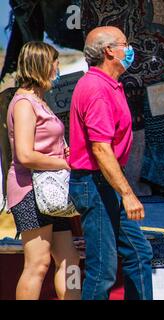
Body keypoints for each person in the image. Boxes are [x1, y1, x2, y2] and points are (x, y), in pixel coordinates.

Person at [68, 26, 153, 300]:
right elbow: (101, 149)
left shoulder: (109, 85)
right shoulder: (96, 88)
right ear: (109, 51)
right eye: (125, 44)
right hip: (94, 183)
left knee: (139, 253)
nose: (129, 49)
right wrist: (127, 194)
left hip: (105, 182)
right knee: (102, 269)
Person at [6, 41, 80, 300]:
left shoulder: (40, 99)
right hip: (29, 191)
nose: (57, 67)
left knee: (69, 259)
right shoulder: (25, 103)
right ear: (41, 65)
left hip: (51, 191)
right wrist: (64, 163)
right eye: (54, 62)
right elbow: (25, 155)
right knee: (37, 264)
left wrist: (64, 152)